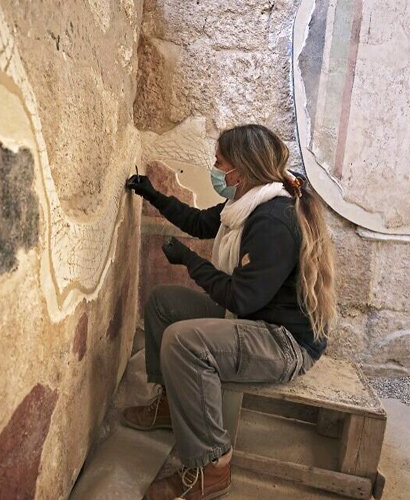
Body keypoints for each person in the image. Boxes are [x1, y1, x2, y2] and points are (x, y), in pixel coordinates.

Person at [123, 124, 336, 500]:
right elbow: (200, 222)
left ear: (239, 169)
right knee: (163, 303)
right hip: (254, 321)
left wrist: (188, 260)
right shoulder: (244, 202)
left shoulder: (272, 219)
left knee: (184, 342)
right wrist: (153, 194)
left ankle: (212, 467)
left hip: (284, 342)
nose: (215, 168)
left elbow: (241, 298)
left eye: (219, 162)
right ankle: (171, 406)